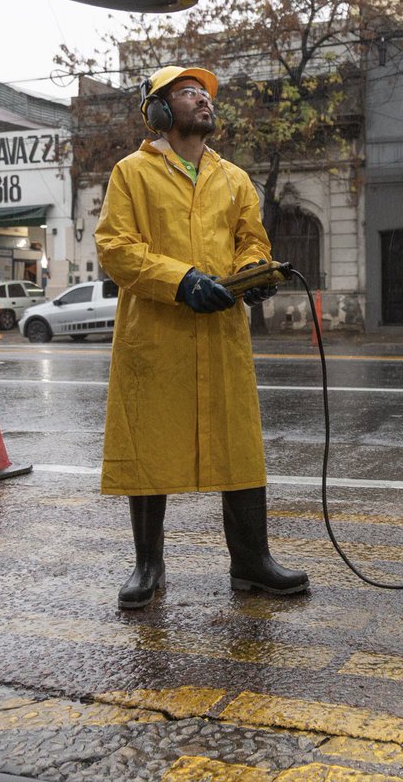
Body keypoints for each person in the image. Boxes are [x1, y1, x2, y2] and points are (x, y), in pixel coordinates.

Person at [94, 64, 308, 610]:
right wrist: (182, 279)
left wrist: (255, 275)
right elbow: (116, 249)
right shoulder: (131, 173)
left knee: (237, 442)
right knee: (149, 443)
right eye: (189, 94)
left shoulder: (233, 178)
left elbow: (251, 240)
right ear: (160, 111)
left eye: (207, 95)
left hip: (220, 332)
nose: (204, 101)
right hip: (156, 333)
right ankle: (149, 564)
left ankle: (252, 563)